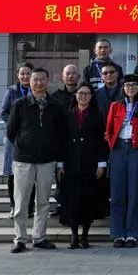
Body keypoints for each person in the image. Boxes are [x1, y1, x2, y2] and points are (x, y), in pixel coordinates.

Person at [7, 67, 64, 253]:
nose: (39, 83)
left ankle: (39, 237)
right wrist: (24, 145)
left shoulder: (55, 105)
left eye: (42, 79)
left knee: (43, 201)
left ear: (48, 81)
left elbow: (59, 133)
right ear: (29, 82)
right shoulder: (19, 104)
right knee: (21, 202)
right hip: (23, 160)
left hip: (47, 160)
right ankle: (20, 238)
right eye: (35, 79)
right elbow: (11, 131)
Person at [105, 74, 138, 248]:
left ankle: (133, 233)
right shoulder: (115, 106)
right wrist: (112, 145)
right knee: (117, 192)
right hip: (119, 148)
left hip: (137, 150)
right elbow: (109, 129)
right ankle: (118, 233)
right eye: (127, 85)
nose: (130, 88)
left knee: (135, 192)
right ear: (123, 88)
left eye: (133, 85)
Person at [58, 83, 108, 249]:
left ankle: (85, 236)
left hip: (90, 162)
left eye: (87, 93)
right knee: (72, 200)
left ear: (91, 96)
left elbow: (101, 141)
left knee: (88, 199)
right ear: (75, 95)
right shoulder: (67, 114)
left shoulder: (97, 115)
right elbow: (62, 140)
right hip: (71, 162)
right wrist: (60, 163)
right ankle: (74, 236)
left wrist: (101, 163)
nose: (83, 96)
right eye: (80, 93)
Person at [0, 62, 35, 219]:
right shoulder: (12, 91)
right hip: (15, 138)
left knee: (32, 174)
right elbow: (4, 113)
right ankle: (14, 206)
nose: (25, 76)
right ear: (17, 75)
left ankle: (29, 207)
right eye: (22, 73)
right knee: (13, 174)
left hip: (33, 138)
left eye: (28, 73)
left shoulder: (37, 90)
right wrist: (15, 126)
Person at [51, 63, 81, 218]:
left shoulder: (84, 93)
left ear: (79, 76)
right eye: (67, 73)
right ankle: (61, 204)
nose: (70, 76)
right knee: (61, 176)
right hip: (61, 143)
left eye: (73, 73)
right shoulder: (55, 97)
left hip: (81, 143)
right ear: (62, 77)